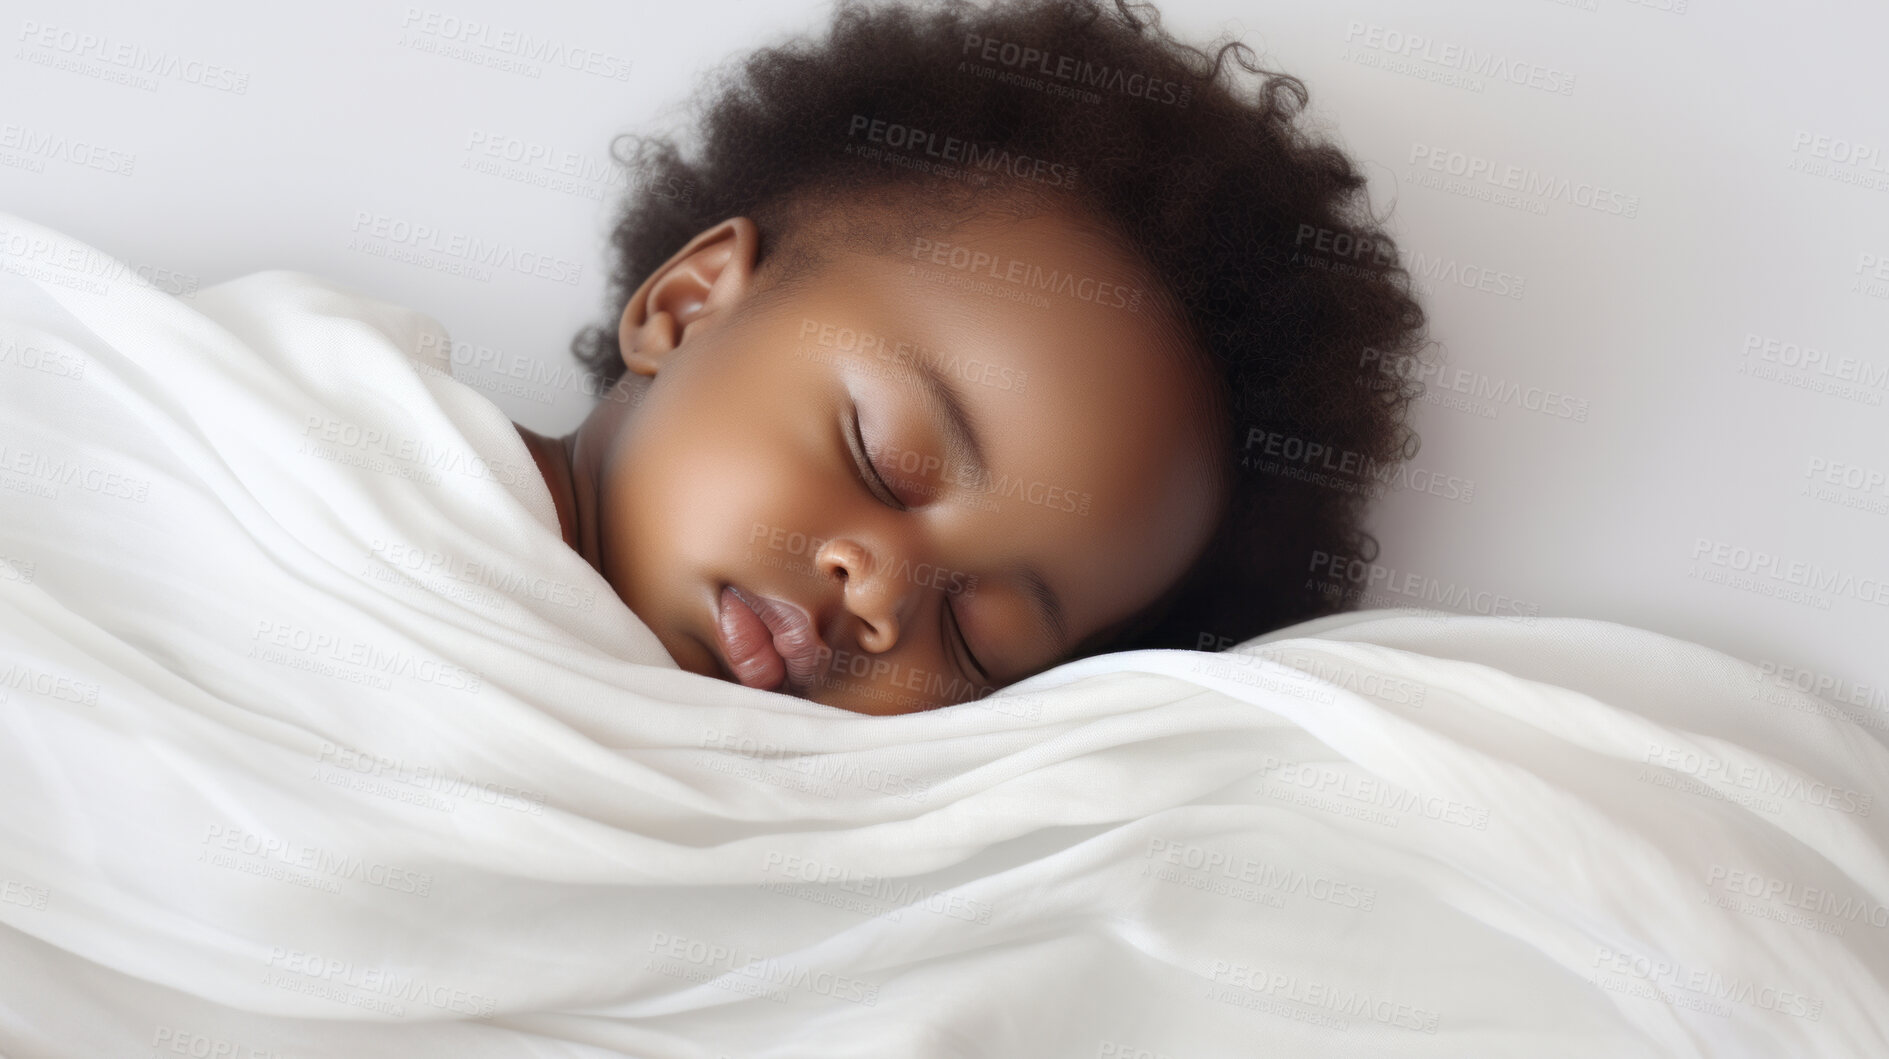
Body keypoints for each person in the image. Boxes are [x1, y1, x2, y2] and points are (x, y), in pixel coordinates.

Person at [513, 0, 1428, 714]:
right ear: (683, 306)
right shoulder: (381, 440)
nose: (880, 596)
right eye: (881, 462)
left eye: (975, 637)